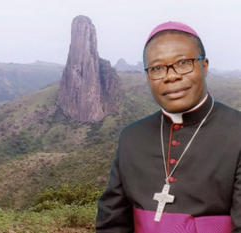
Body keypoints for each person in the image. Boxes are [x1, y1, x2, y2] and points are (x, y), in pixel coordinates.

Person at [96, 21, 241, 233]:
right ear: (147, 76)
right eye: (157, 68)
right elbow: (112, 222)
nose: (171, 76)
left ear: (205, 66)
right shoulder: (131, 137)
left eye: (183, 63)